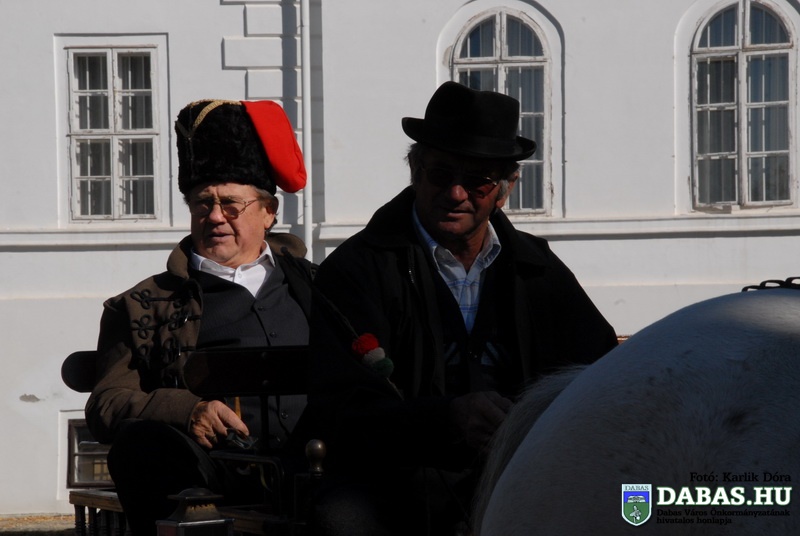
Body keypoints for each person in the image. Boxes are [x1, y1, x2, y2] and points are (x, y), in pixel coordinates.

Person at [298, 82, 619, 535]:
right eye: (441, 173)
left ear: (505, 189)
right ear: (415, 172)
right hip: (392, 483)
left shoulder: (537, 269)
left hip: (518, 475)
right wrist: (447, 418)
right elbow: (343, 410)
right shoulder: (357, 270)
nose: (455, 192)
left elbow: (597, 370)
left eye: (477, 180)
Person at [85, 99, 313, 536]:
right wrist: (186, 410)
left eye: (231, 204)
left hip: (321, 468)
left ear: (269, 212)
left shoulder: (319, 286)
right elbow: (107, 402)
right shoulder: (144, 304)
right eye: (202, 204)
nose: (215, 217)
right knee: (141, 446)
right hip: (211, 475)